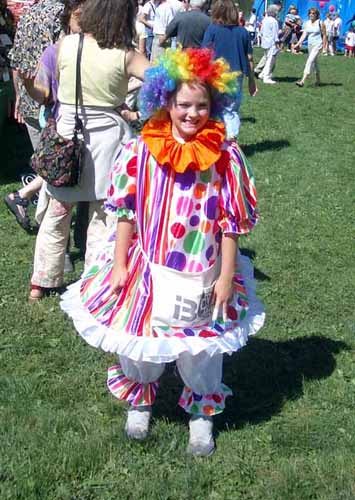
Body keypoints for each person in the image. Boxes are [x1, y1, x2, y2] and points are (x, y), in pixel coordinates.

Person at [60, 46, 265, 457]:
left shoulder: (225, 156)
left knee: (201, 346)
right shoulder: (142, 150)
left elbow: (230, 222)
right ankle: (140, 398)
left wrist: (226, 277)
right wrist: (119, 263)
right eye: (183, 104)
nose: (192, 113)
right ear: (165, 101)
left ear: (216, 104)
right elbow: (124, 210)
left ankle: (201, 412)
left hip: (203, 268)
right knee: (140, 333)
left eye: (202, 105)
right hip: (149, 266)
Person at [26, 0, 150, 301]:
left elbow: (42, 94)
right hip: (109, 141)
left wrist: (27, 85)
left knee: (57, 212)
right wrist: (141, 113)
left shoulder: (67, 44)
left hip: (67, 137)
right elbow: (169, 81)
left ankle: (40, 282)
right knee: (104, 216)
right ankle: (97, 281)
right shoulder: (127, 54)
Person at [4, 0, 64, 231]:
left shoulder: (27, 16)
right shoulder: (63, 15)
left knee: (48, 169)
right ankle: (62, 246)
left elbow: (16, 60)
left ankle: (24, 197)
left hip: (31, 100)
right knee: (57, 174)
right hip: (52, 103)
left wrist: (19, 95)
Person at [202, 0, 257, 139]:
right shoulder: (243, 32)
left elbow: (204, 54)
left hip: (215, 75)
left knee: (212, 108)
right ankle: (232, 141)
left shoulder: (212, 30)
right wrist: (252, 80)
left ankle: (213, 140)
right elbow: (249, 57)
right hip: (236, 75)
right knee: (231, 110)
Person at [294, 8, 324, 87]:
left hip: (318, 44)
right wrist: (298, 44)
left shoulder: (320, 22)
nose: (311, 15)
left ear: (316, 15)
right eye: (310, 13)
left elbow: (324, 35)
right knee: (314, 62)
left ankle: (302, 80)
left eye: (313, 13)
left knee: (310, 60)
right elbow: (304, 34)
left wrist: (325, 46)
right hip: (310, 45)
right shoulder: (307, 23)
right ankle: (318, 80)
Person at [255, 4, 280, 84]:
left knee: (267, 58)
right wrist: (277, 42)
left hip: (265, 42)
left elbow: (261, 31)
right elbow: (275, 33)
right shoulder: (274, 21)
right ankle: (267, 77)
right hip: (272, 43)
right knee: (270, 61)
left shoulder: (265, 20)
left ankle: (262, 74)